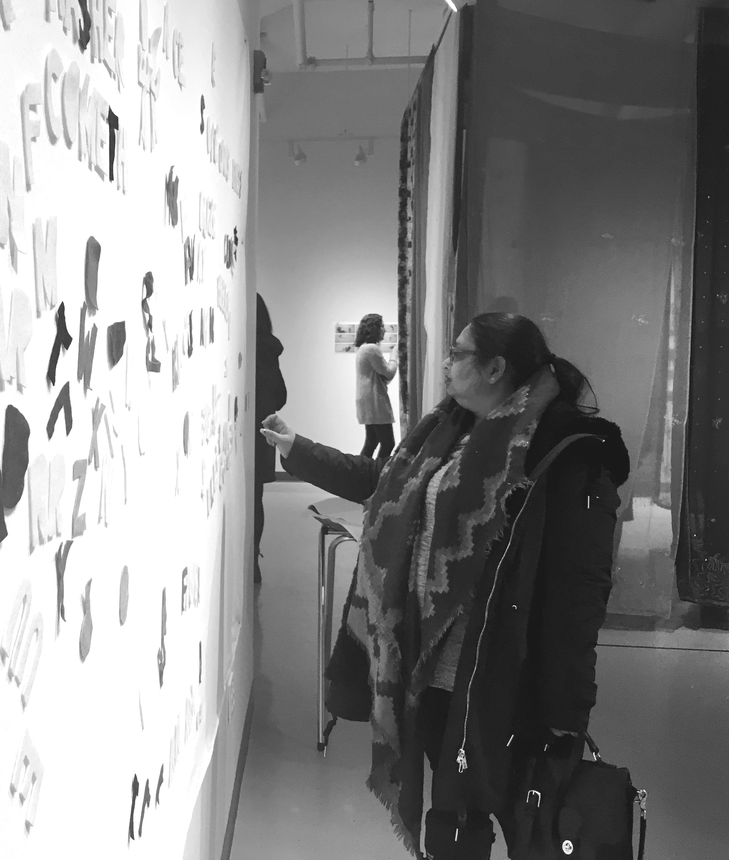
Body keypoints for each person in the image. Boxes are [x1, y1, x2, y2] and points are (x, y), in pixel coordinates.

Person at [260, 313, 629, 860]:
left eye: (459, 354)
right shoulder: (447, 429)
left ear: (496, 367)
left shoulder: (562, 451)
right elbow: (380, 484)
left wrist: (567, 714)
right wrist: (297, 449)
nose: (447, 364)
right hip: (430, 670)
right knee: (454, 817)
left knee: (503, 817)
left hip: (501, 680)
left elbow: (579, 595)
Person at [253, 294, 287, 585]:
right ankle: (252, 557)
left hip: (241, 431)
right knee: (255, 499)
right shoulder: (268, 350)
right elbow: (281, 395)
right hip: (260, 432)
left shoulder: (243, 348)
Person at [354, 313, 398, 459]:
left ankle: (362, 475)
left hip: (367, 399)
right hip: (374, 399)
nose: (384, 331)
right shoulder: (371, 348)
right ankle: (378, 475)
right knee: (388, 443)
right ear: (374, 329)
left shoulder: (363, 349)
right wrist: (394, 355)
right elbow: (388, 373)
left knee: (372, 441)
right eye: (381, 327)